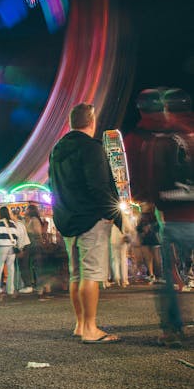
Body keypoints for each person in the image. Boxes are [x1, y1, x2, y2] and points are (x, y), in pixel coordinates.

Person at [124, 87, 194, 347]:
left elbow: (143, 177)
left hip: (171, 217)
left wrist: (147, 205)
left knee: (167, 278)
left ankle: (172, 328)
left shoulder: (145, 137)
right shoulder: (184, 132)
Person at [48, 103, 122, 343]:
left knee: (76, 275)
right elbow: (98, 186)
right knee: (91, 273)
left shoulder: (57, 150)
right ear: (92, 122)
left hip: (67, 218)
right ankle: (91, 329)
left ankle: (80, 324)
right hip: (91, 218)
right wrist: (117, 216)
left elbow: (54, 187)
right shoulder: (91, 148)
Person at [0, 206, 18, 298]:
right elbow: (16, 236)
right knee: (11, 268)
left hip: (1, 247)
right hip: (11, 247)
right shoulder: (13, 223)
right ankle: (10, 289)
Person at [11, 208, 33, 293]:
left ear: (15, 215)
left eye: (11, 215)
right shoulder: (20, 224)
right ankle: (27, 285)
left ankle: (28, 285)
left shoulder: (18, 225)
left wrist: (20, 249)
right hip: (25, 246)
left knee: (24, 267)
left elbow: (20, 237)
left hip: (23, 247)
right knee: (24, 266)